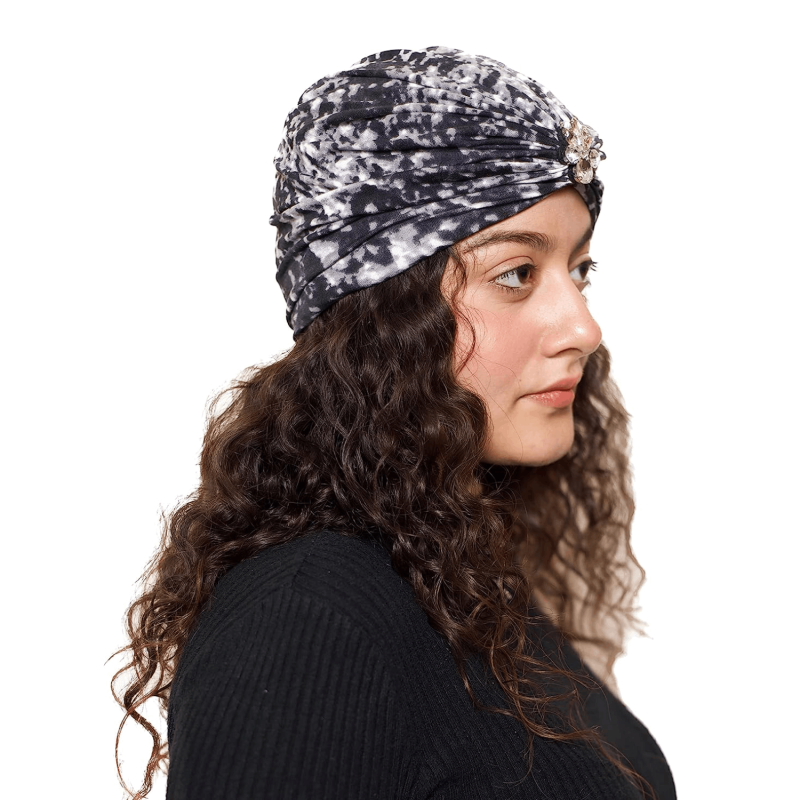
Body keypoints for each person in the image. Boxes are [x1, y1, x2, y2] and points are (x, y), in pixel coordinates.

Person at [113, 46, 676, 800]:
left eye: (580, 270)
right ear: (386, 313)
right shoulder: (306, 620)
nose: (583, 326)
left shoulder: (460, 575)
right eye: (516, 273)